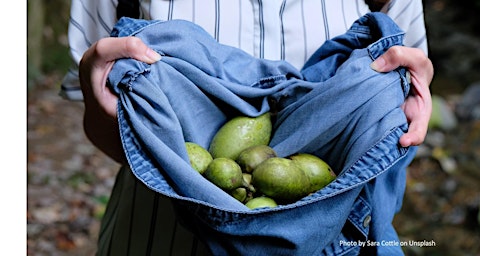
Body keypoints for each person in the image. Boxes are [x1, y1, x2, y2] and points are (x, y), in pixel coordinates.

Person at [61, 0, 433, 255]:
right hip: (158, 236)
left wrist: (404, 94)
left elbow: (403, 88)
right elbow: (99, 125)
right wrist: (102, 100)